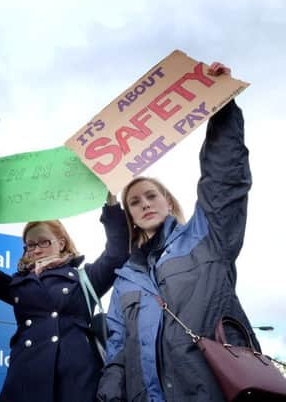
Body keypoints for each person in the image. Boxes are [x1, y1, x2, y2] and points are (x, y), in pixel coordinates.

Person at [97, 62, 256, 401]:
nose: (144, 204)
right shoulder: (125, 280)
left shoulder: (206, 238)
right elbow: (117, 344)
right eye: (135, 202)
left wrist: (221, 106)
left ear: (168, 202)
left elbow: (224, 183)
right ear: (131, 218)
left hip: (212, 390)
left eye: (151, 196)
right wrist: (110, 387)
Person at [0, 194, 129, 402]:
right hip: (26, 377)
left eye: (42, 242)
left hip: (75, 377)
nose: (35, 249)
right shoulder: (18, 285)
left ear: (61, 242)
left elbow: (116, 254)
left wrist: (111, 205)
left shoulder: (82, 279)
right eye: (29, 245)